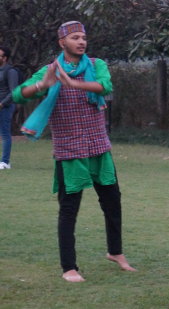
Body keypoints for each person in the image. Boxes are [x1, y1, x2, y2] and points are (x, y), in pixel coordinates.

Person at [12, 21, 135, 282]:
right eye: (75, 38)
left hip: (99, 147)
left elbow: (105, 86)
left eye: (83, 38)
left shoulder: (96, 64)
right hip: (69, 151)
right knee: (69, 210)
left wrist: (74, 84)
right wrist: (42, 85)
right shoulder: (50, 70)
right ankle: (69, 267)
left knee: (112, 203)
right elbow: (19, 95)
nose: (81, 42)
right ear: (62, 43)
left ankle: (116, 252)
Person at [0, 46, 18, 169]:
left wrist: (2, 104)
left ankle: (5, 162)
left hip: (5, 107)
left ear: (5, 58)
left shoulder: (11, 71)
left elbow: (14, 92)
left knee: (5, 134)